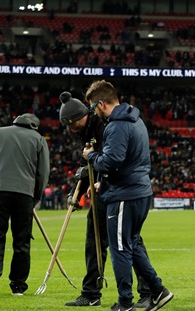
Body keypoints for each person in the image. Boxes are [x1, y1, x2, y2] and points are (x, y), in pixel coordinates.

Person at [82, 80, 173, 311]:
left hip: (125, 195)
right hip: (139, 191)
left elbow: (111, 161)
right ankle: (159, 290)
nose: (93, 113)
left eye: (92, 108)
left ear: (101, 103)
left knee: (121, 249)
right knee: (130, 245)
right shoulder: (136, 120)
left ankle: (125, 303)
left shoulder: (117, 125)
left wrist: (90, 156)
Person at [58, 91, 152, 308]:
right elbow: (89, 164)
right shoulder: (88, 128)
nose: (71, 129)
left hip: (119, 190)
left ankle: (146, 291)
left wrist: (100, 179)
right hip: (106, 190)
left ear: (84, 114)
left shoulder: (106, 125)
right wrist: (79, 191)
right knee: (95, 239)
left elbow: (109, 159)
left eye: (72, 123)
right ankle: (91, 293)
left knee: (130, 240)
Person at [0, 113, 50, 297]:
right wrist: (36, 197)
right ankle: (18, 286)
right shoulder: (38, 139)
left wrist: (1, 170)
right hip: (24, 194)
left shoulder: (1, 132)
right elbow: (43, 172)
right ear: (35, 125)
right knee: (22, 241)